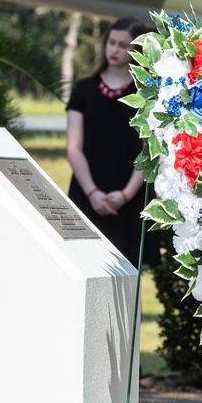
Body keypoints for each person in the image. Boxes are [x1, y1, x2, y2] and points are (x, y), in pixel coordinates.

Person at [66, 16, 159, 268]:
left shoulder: (147, 94)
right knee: (81, 267)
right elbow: (73, 147)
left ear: (137, 50)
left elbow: (149, 151)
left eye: (123, 45)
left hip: (129, 196)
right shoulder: (83, 90)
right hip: (88, 190)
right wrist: (93, 193)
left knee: (128, 274)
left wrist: (125, 195)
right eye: (111, 42)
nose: (115, 49)